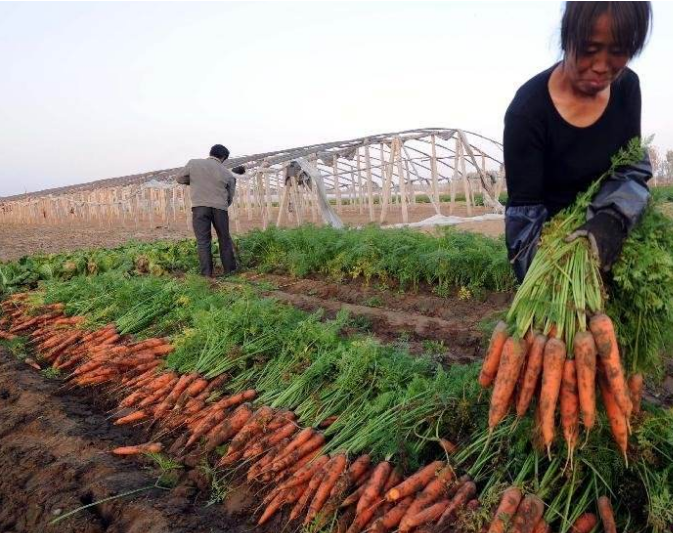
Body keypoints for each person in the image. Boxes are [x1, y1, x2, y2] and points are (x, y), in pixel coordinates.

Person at [504, 1, 653, 283]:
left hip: (614, 249)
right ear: (567, 35)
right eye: (590, 49)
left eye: (618, 52)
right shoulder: (528, 113)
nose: (601, 67)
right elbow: (523, 224)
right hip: (554, 259)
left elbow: (630, 167)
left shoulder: (627, 88)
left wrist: (612, 220)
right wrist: (556, 279)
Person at [175, 144, 242, 277]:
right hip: (220, 208)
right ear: (223, 158)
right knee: (224, 239)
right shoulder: (227, 173)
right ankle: (230, 271)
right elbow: (230, 196)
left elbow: (180, 178)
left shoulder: (194, 163)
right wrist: (223, 205)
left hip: (199, 208)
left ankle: (206, 274)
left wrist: (195, 182)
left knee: (203, 241)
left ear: (210, 153)